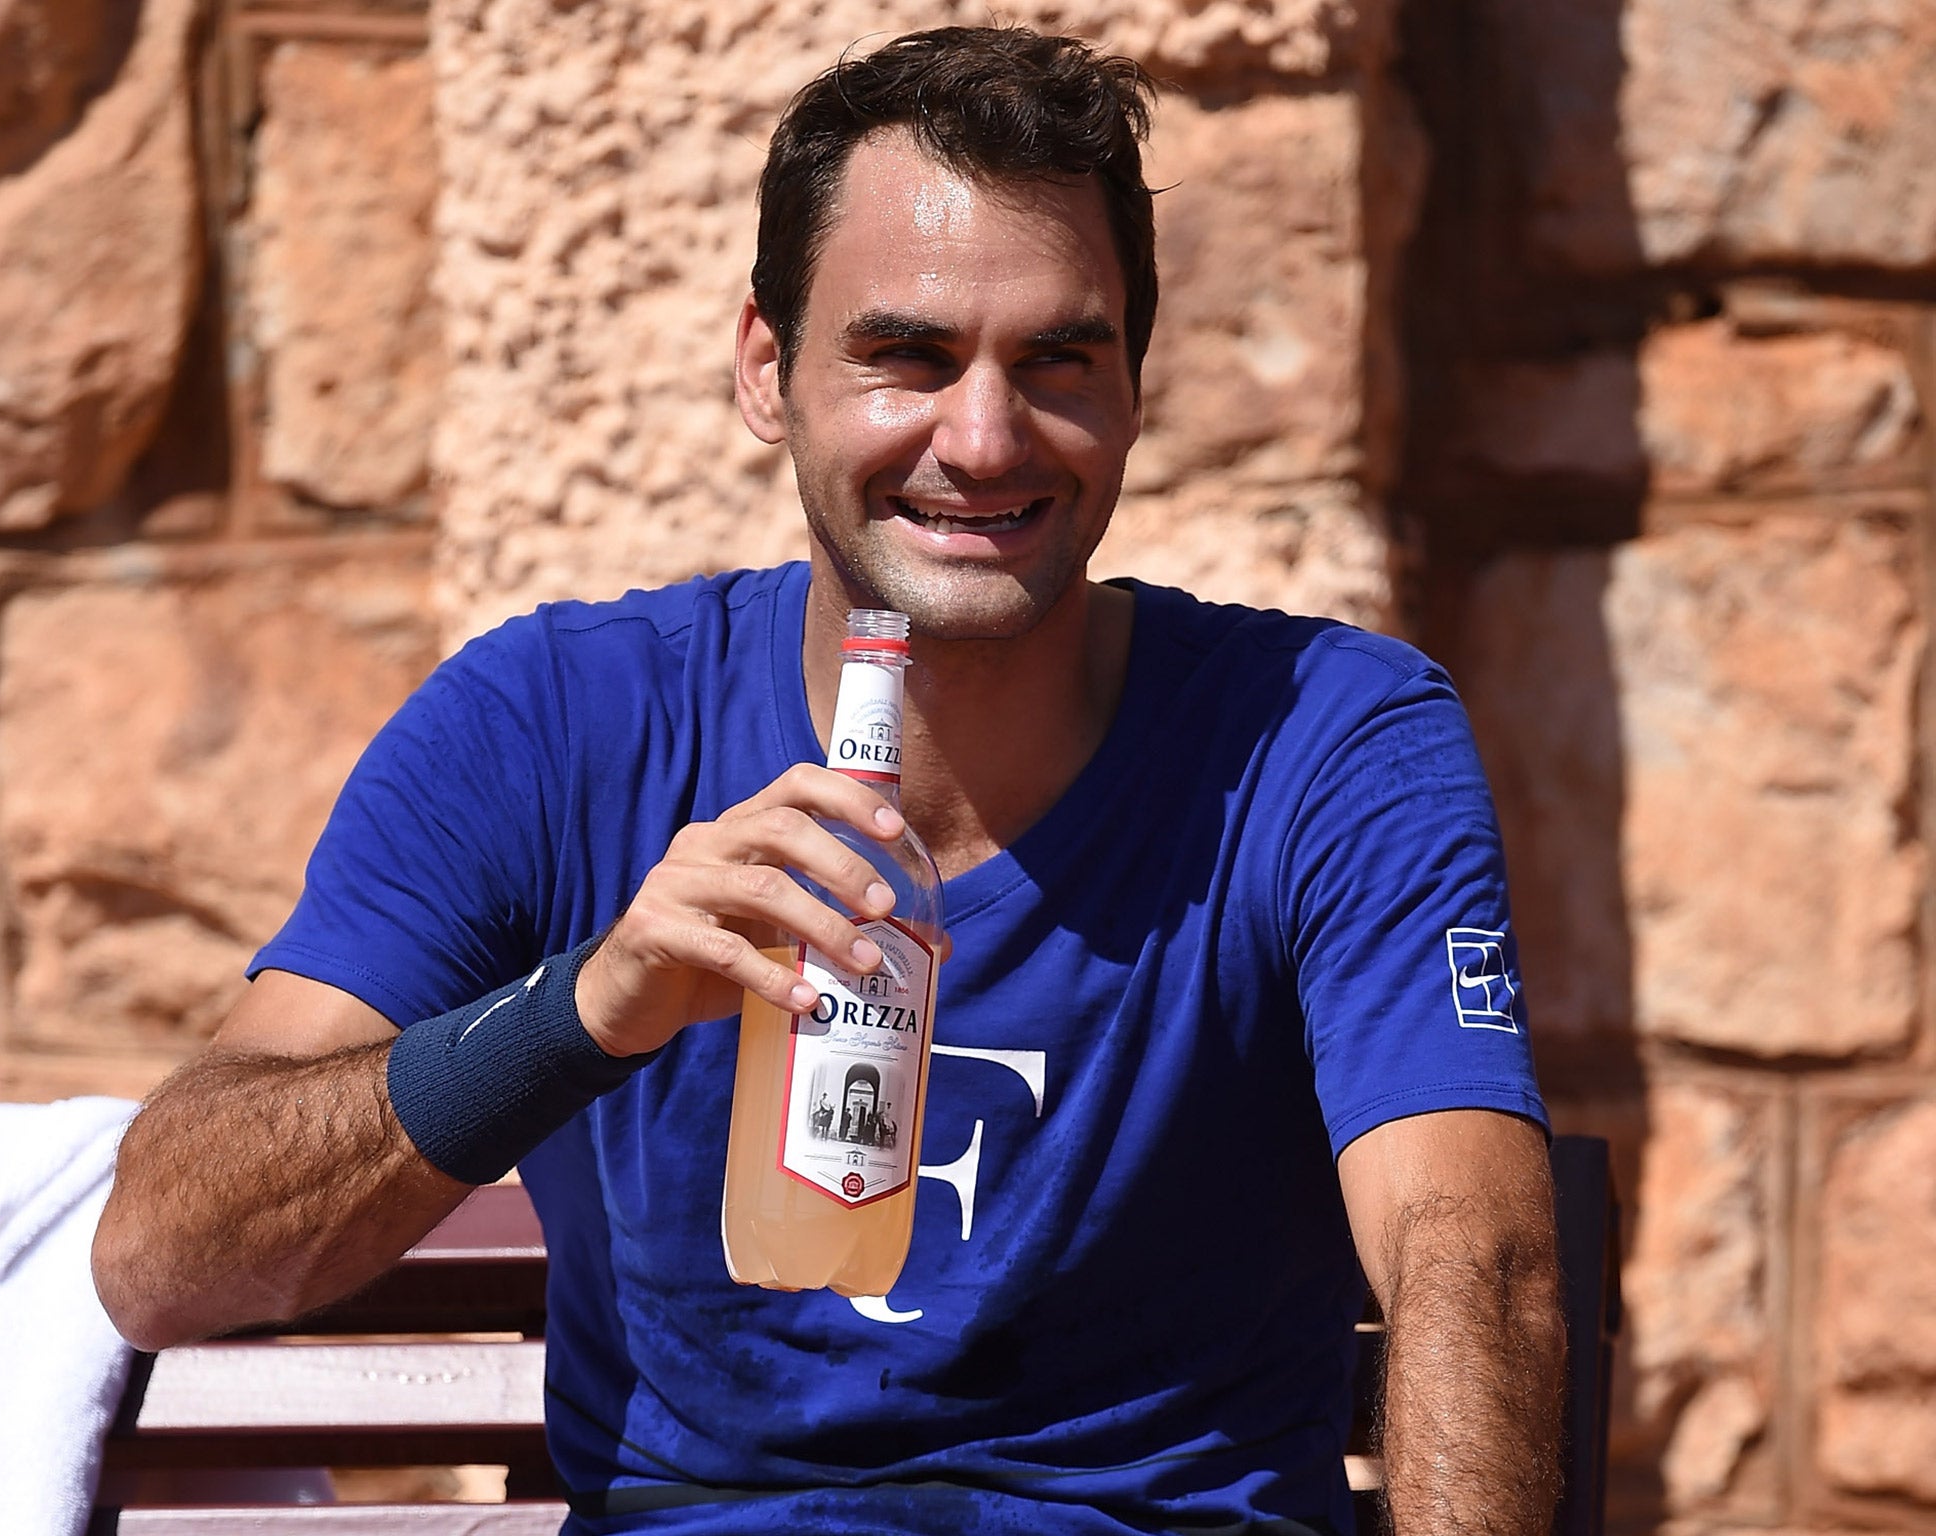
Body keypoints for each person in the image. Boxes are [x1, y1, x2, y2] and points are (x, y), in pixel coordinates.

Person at [92, 25, 1563, 1536]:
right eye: (907, 356)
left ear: (1135, 378)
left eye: (1060, 356)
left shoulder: (1329, 741)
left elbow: (1475, 1261)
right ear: (766, 370)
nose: (984, 440)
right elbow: (161, 1253)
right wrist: (585, 1008)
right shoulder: (554, 722)